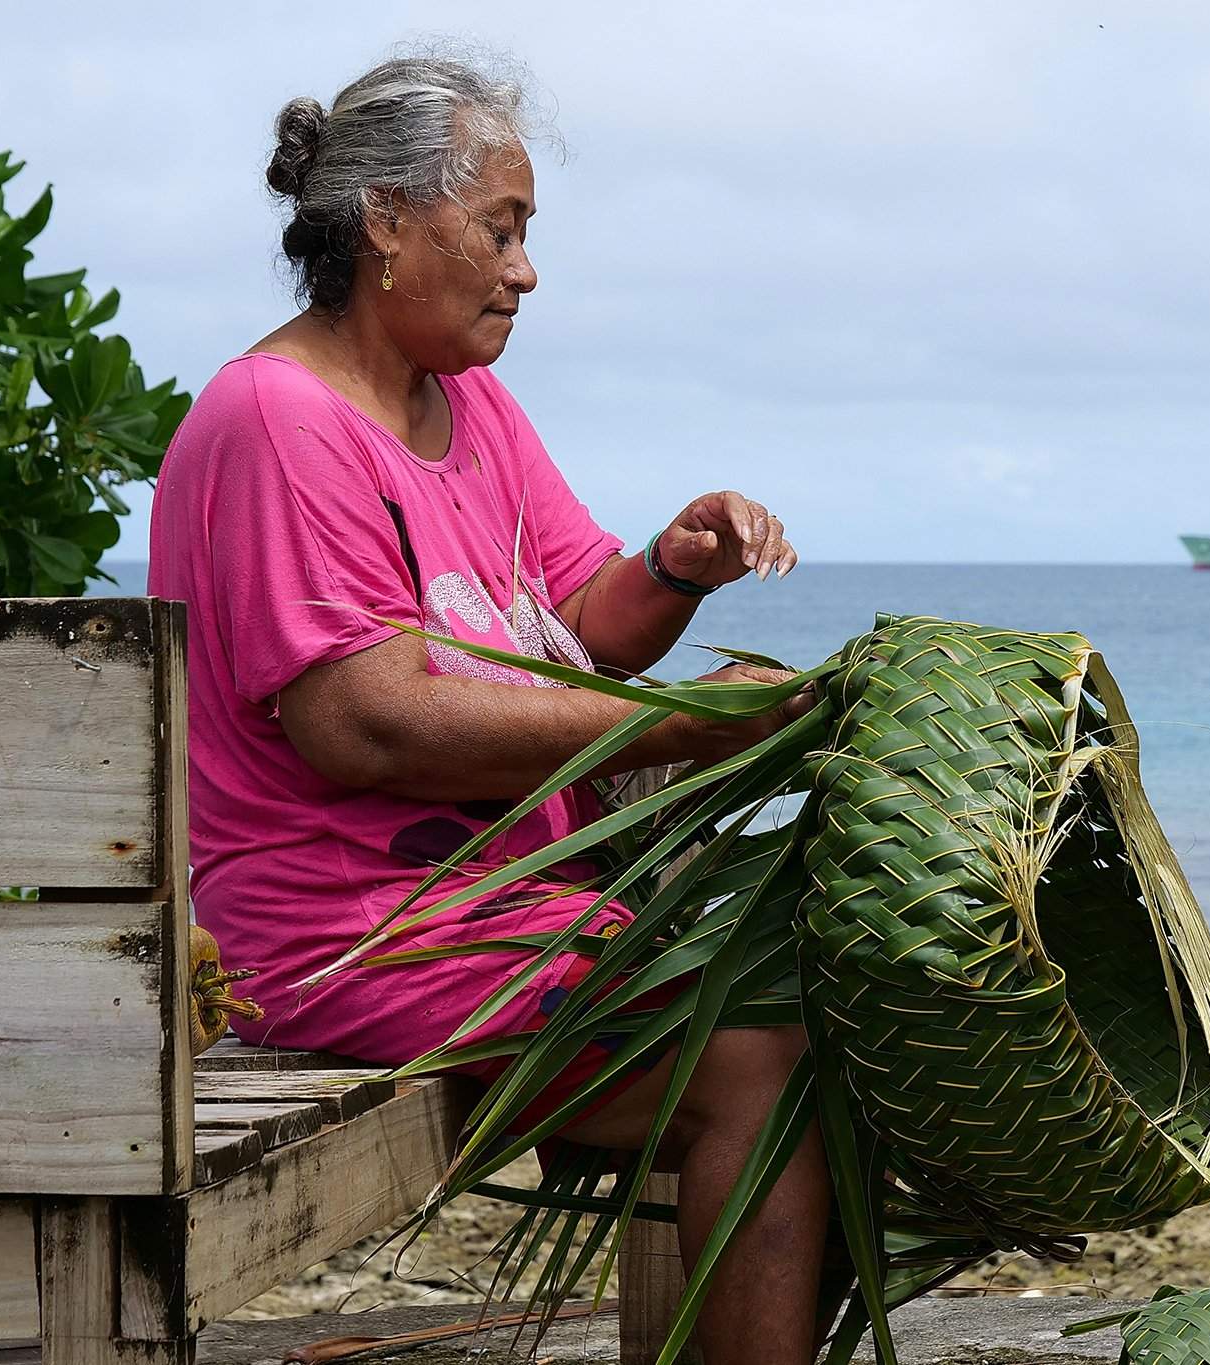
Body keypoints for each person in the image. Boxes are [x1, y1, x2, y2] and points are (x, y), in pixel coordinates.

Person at [147, 55, 827, 1365]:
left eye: (527, 236)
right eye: (501, 230)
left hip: (496, 911)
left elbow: (588, 618)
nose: (525, 272)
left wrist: (677, 563)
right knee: (756, 1057)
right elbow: (366, 726)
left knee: (804, 996)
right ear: (388, 221)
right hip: (348, 932)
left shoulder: (465, 401)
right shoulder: (278, 420)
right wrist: (679, 729)